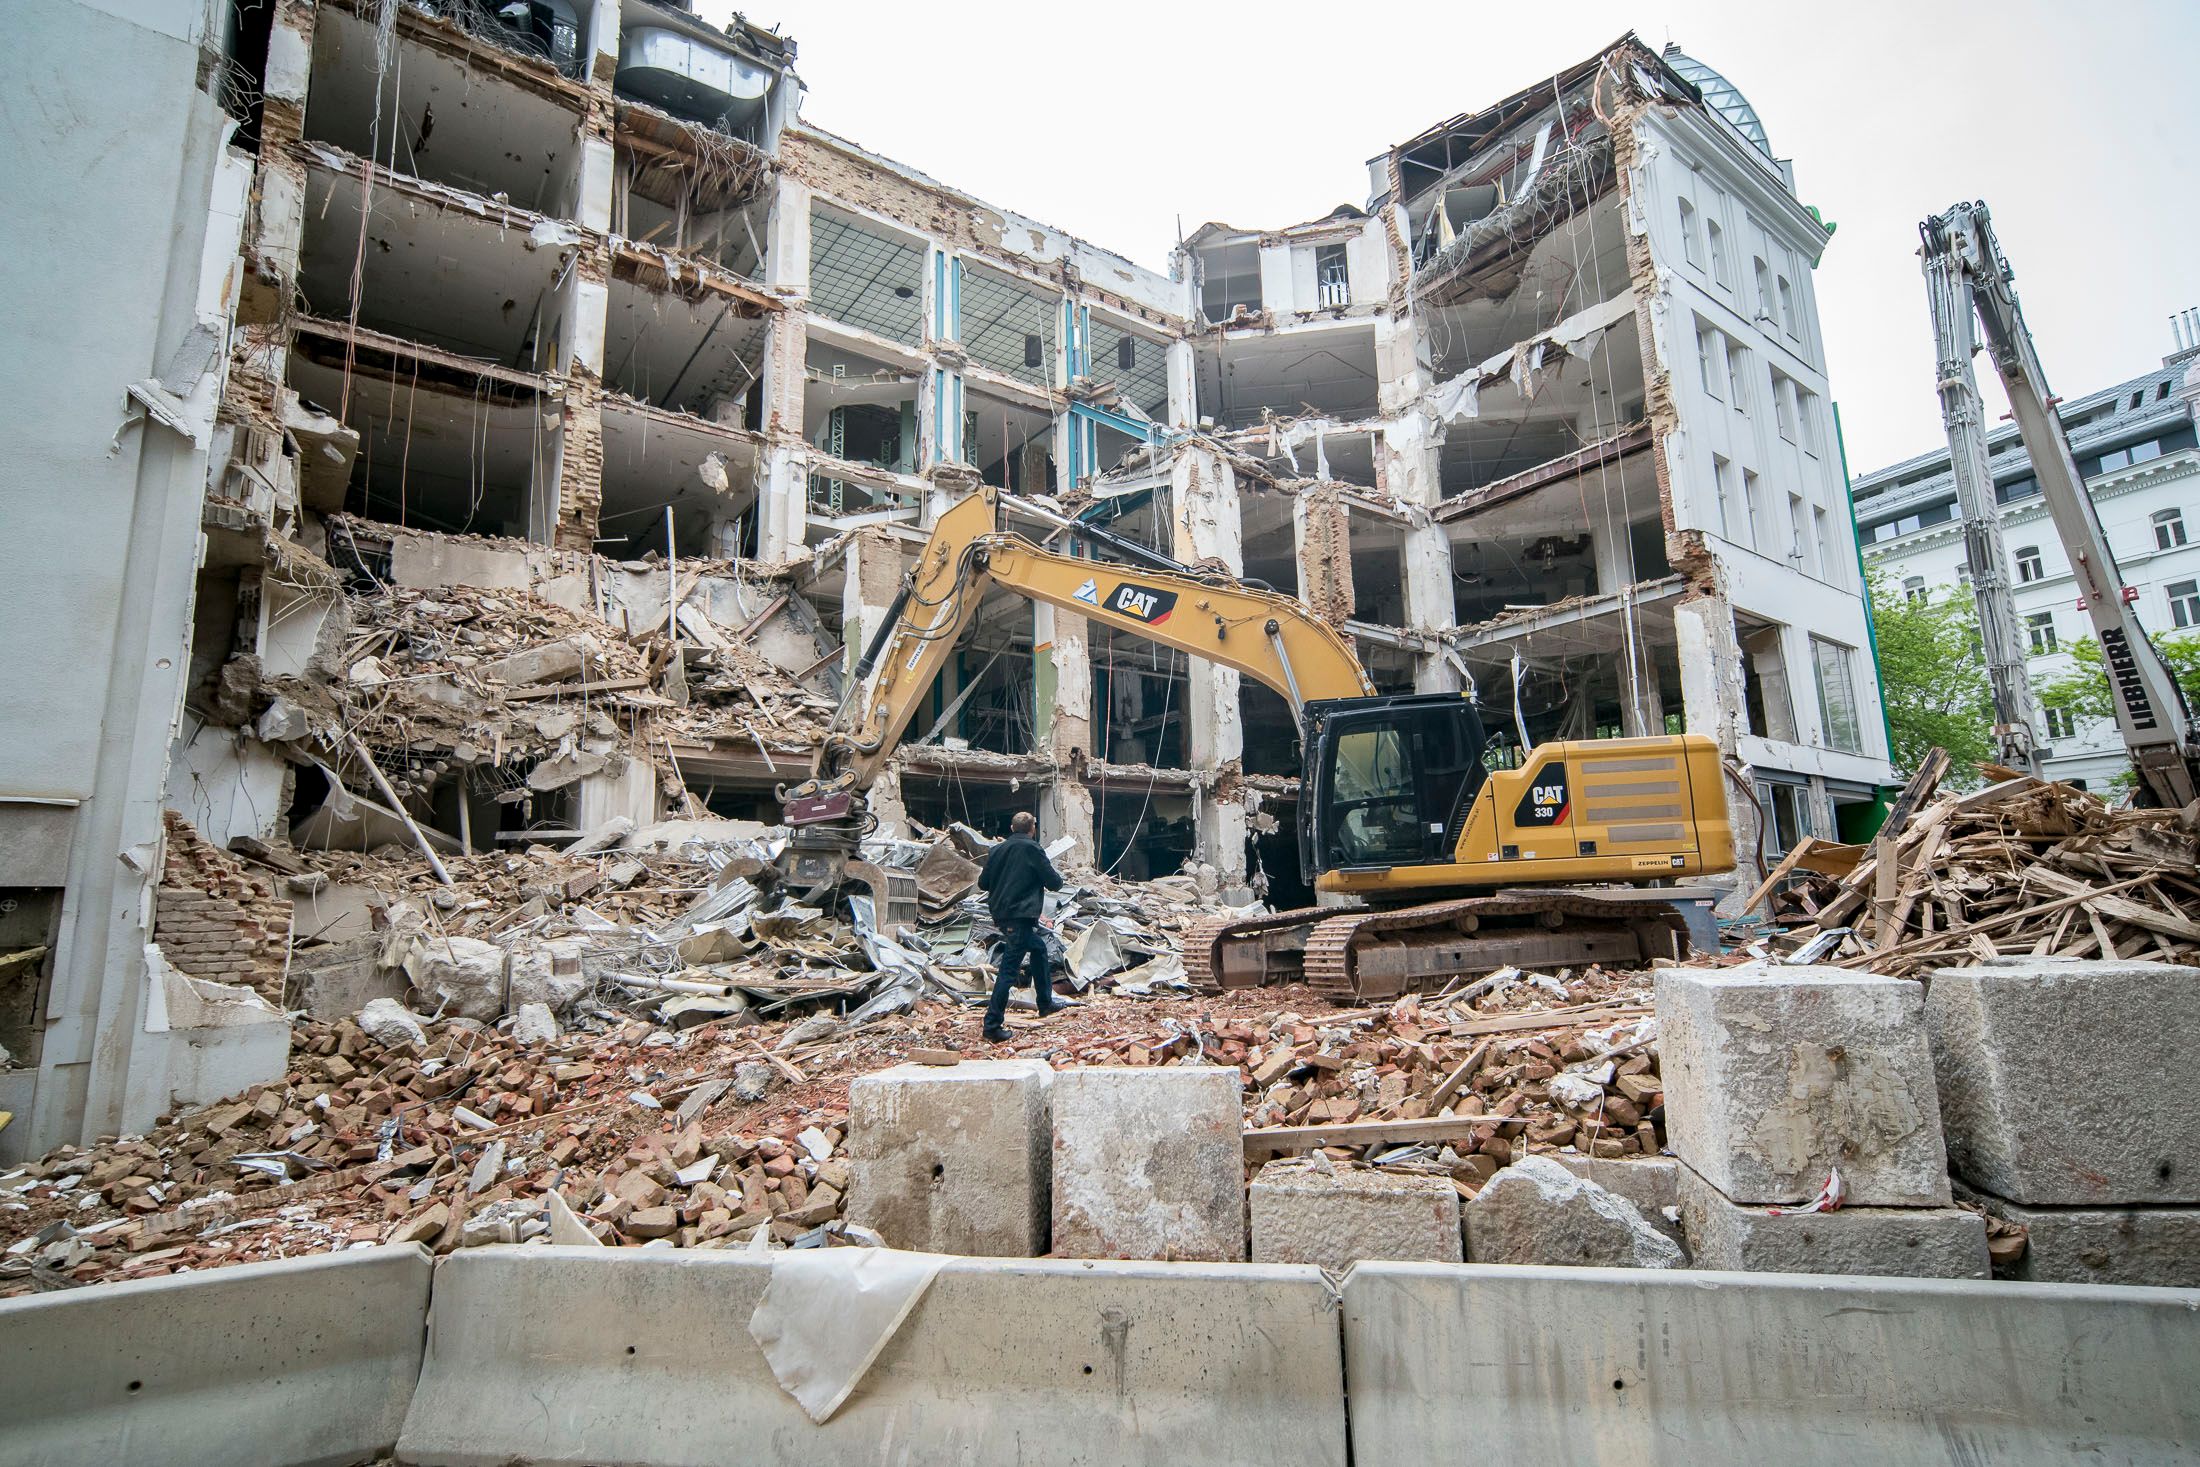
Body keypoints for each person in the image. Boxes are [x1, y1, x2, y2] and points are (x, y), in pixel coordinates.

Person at [977, 811, 1064, 1042]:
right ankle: (992, 1026)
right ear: (1032, 828)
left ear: (1012, 827)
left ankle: (1045, 1003)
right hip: (1020, 916)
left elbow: (983, 883)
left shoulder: (997, 850)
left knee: (1038, 949)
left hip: (1002, 915)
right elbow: (1054, 883)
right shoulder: (1032, 849)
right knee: (1008, 970)